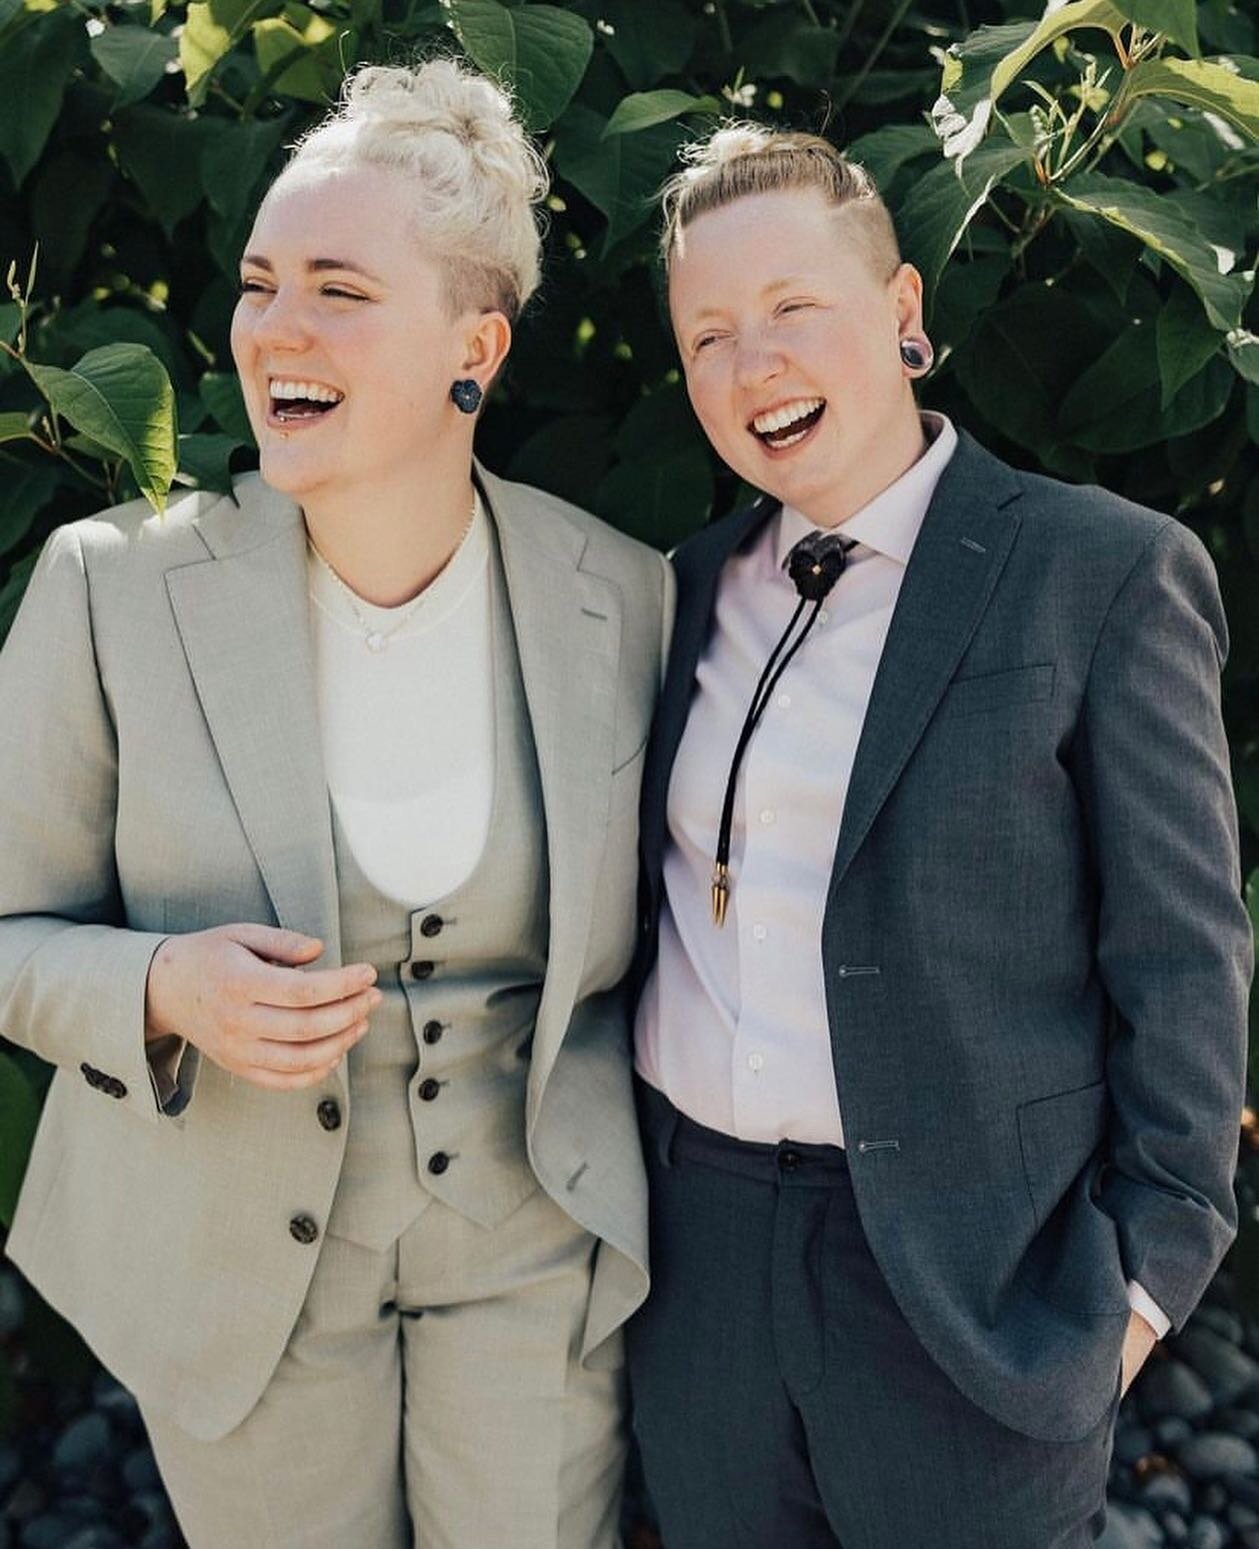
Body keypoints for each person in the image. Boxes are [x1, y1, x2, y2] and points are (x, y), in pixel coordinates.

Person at [0, 58, 671, 1549]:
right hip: (239, 1262)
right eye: (258, 282)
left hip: (532, 1250)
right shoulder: (110, 590)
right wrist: (160, 984)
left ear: (473, 347)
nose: (275, 329)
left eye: (340, 290)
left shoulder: (623, 596)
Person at [626, 125, 1251, 1549]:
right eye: (708, 334)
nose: (753, 363)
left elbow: (1183, 954)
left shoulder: (1095, 572)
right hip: (699, 1257)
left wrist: (1142, 1283)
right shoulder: (672, 593)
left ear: (903, 317)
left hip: (975, 1273)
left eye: (794, 309)